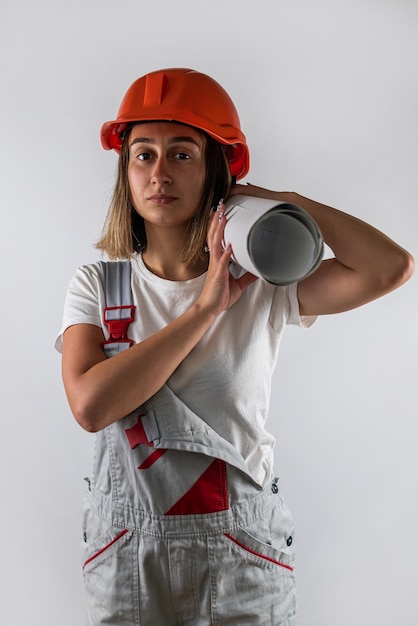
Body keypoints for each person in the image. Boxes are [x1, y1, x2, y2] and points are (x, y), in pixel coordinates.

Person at [56, 68, 414, 626]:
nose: (159, 173)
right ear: (125, 171)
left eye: (182, 154)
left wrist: (284, 200)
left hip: (240, 553)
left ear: (215, 170)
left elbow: (390, 268)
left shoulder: (264, 283)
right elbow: (90, 405)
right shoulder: (97, 287)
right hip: (128, 555)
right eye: (143, 155)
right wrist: (205, 308)